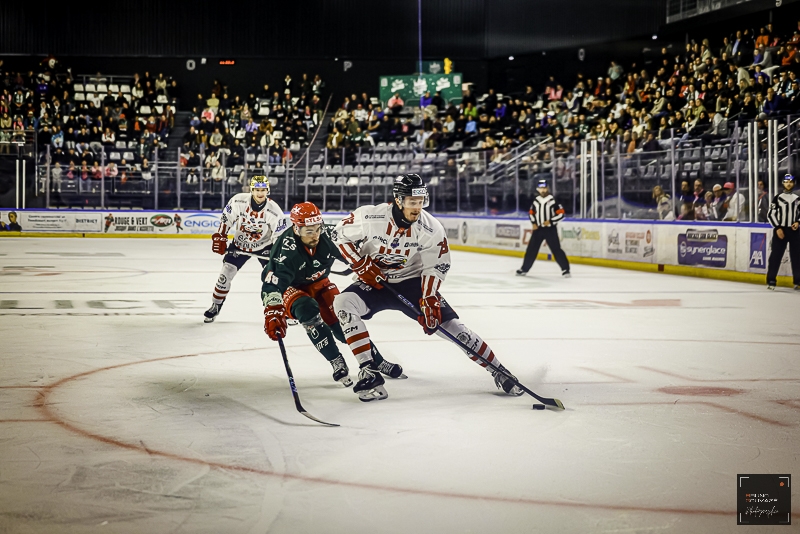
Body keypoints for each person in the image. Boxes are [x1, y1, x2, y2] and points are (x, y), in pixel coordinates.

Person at [331, 174, 524, 401]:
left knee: (454, 328)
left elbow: (437, 265)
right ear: (398, 200)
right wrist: (359, 263)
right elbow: (338, 235)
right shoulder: (370, 216)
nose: (417, 207)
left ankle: (499, 370)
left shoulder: (431, 228)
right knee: (342, 303)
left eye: (420, 202)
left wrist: (429, 298)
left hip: (412, 283)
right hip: (374, 281)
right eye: (412, 202)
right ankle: (369, 370)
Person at [261, 202, 403, 388]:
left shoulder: (329, 236)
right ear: (296, 228)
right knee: (307, 309)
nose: (315, 235)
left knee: (343, 319)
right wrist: (273, 309)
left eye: (317, 229)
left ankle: (378, 361)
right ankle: (336, 359)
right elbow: (273, 284)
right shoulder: (286, 250)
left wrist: (367, 266)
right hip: (291, 287)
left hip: (320, 283)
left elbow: (353, 254)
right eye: (309, 231)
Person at [203, 175, 285, 323]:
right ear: (251, 190)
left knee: (274, 278)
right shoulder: (238, 201)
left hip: (264, 247)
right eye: (257, 190)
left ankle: (285, 309)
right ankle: (216, 305)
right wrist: (221, 235)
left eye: (263, 190)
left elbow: (278, 236)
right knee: (225, 274)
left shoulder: (274, 211)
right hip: (240, 244)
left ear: (268, 190)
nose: (260, 193)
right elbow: (227, 218)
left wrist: (277, 253)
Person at [516, 180, 570, 277]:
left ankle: (565, 269)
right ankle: (524, 269)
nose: (543, 190)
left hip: (550, 229)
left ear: (548, 188)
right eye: (541, 188)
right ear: (538, 189)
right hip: (538, 229)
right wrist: (534, 223)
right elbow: (531, 213)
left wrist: (551, 221)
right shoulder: (536, 200)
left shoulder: (553, 200)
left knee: (556, 249)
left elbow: (561, 214)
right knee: (531, 249)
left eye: (544, 188)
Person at [766, 174, 800, 290]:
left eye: (791, 182)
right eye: (786, 182)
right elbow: (771, 214)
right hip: (781, 230)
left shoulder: (797, 198)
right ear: (783, 183)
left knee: (797, 256)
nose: (788, 184)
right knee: (775, 255)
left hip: (794, 230)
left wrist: (798, 222)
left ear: (794, 183)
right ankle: (771, 280)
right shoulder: (777, 198)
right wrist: (777, 228)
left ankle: (798, 280)